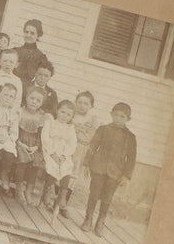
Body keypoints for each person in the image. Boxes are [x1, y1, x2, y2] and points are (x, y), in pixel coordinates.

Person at [81, 102, 137, 236]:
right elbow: (93, 146)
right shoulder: (103, 129)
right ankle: (88, 218)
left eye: (122, 116)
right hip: (99, 167)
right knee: (94, 193)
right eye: (116, 115)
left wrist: (126, 176)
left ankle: (101, 221)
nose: (118, 118)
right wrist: (86, 164)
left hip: (115, 172)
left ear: (128, 119)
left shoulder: (130, 137)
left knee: (107, 197)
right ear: (111, 115)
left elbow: (131, 158)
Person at [42, 100, 79, 215]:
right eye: (63, 112)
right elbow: (45, 138)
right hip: (50, 151)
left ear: (72, 116)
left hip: (63, 154)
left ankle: (62, 195)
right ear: (57, 110)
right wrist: (52, 153)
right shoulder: (50, 123)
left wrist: (64, 155)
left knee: (67, 167)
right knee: (51, 165)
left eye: (68, 115)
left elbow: (72, 144)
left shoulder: (70, 128)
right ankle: (48, 190)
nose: (65, 116)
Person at [15, 87, 49, 206]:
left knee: (36, 163)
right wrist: (19, 143)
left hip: (34, 145)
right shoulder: (20, 112)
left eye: (38, 100)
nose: (34, 102)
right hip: (19, 142)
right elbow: (15, 130)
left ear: (42, 103)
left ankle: (28, 190)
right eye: (32, 98)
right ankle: (19, 189)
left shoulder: (42, 116)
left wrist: (36, 147)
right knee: (23, 161)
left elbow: (41, 135)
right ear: (26, 98)